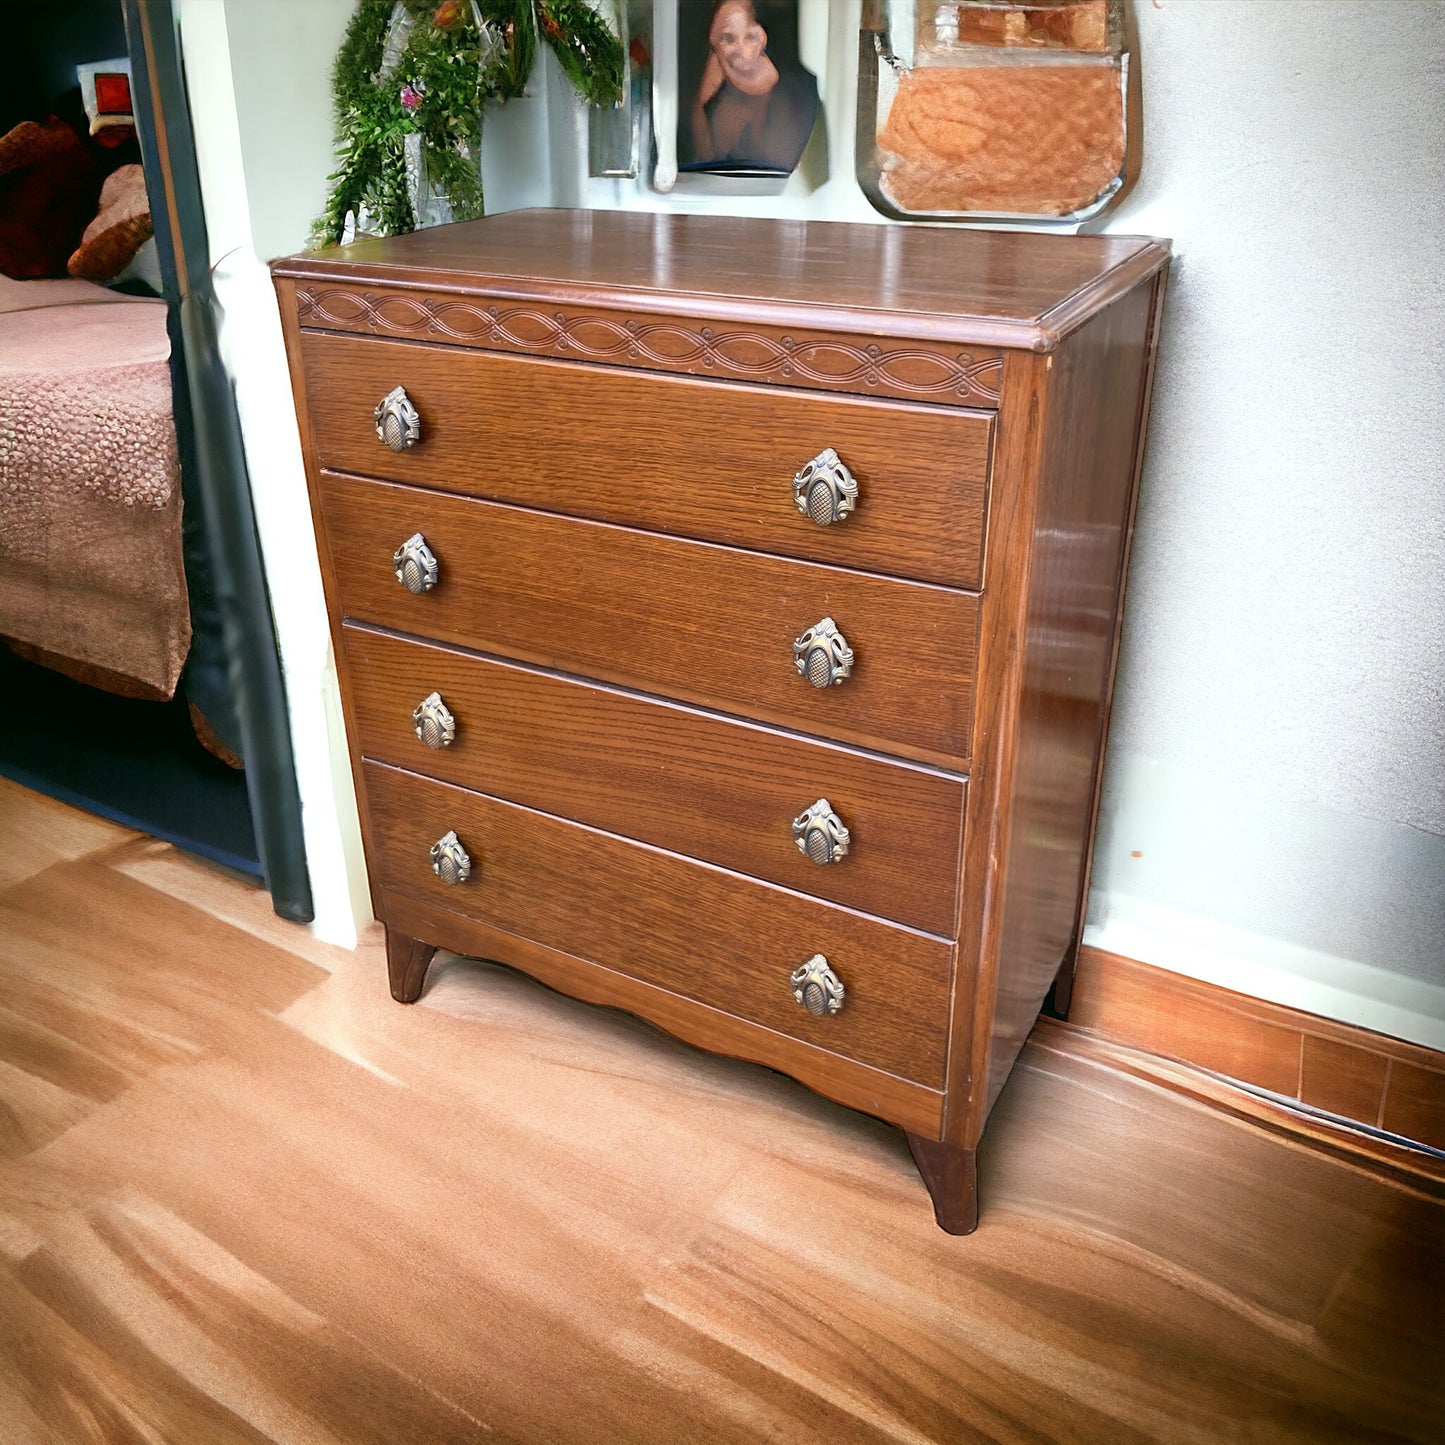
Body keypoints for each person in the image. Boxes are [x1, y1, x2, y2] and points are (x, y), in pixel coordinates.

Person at [688, 0, 817, 172]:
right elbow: (705, 161)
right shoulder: (716, 93)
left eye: (749, 37)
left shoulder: (797, 90)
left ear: (762, 37)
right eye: (728, 38)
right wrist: (701, 103)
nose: (740, 49)